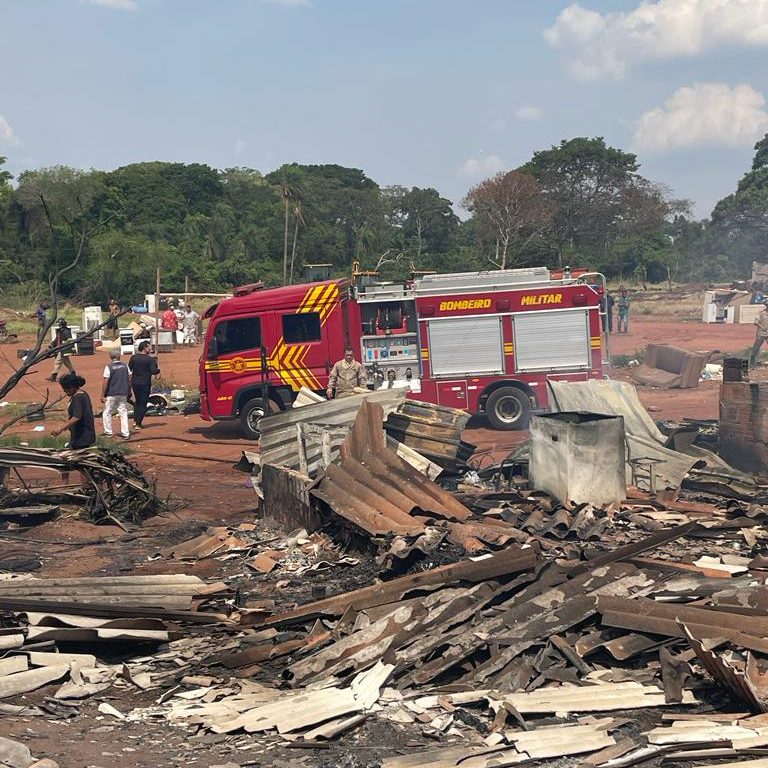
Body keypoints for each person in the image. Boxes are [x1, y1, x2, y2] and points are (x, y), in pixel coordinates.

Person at [51, 373, 96, 450]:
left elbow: (76, 417)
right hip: (86, 435)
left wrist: (61, 428)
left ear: (72, 387)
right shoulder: (83, 394)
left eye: (66, 389)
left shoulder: (77, 398)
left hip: (81, 437)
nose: (65, 391)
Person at [128, 340, 159, 430]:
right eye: (149, 347)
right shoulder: (150, 359)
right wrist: (157, 367)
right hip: (145, 383)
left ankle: (135, 421)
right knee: (143, 403)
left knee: (137, 401)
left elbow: (129, 369)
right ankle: (138, 423)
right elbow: (154, 371)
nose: (150, 349)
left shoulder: (133, 358)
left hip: (135, 383)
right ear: (145, 348)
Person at [101, 348, 131, 439]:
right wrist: (129, 389)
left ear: (110, 357)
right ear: (119, 356)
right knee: (123, 412)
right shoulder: (125, 366)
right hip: (123, 392)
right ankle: (125, 433)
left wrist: (102, 394)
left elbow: (106, 381)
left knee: (107, 412)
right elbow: (130, 378)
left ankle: (108, 431)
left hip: (112, 393)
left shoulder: (109, 367)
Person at [751, 300, 768, 366]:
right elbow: (755, 322)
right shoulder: (761, 313)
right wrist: (761, 327)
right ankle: (754, 362)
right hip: (761, 333)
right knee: (756, 347)